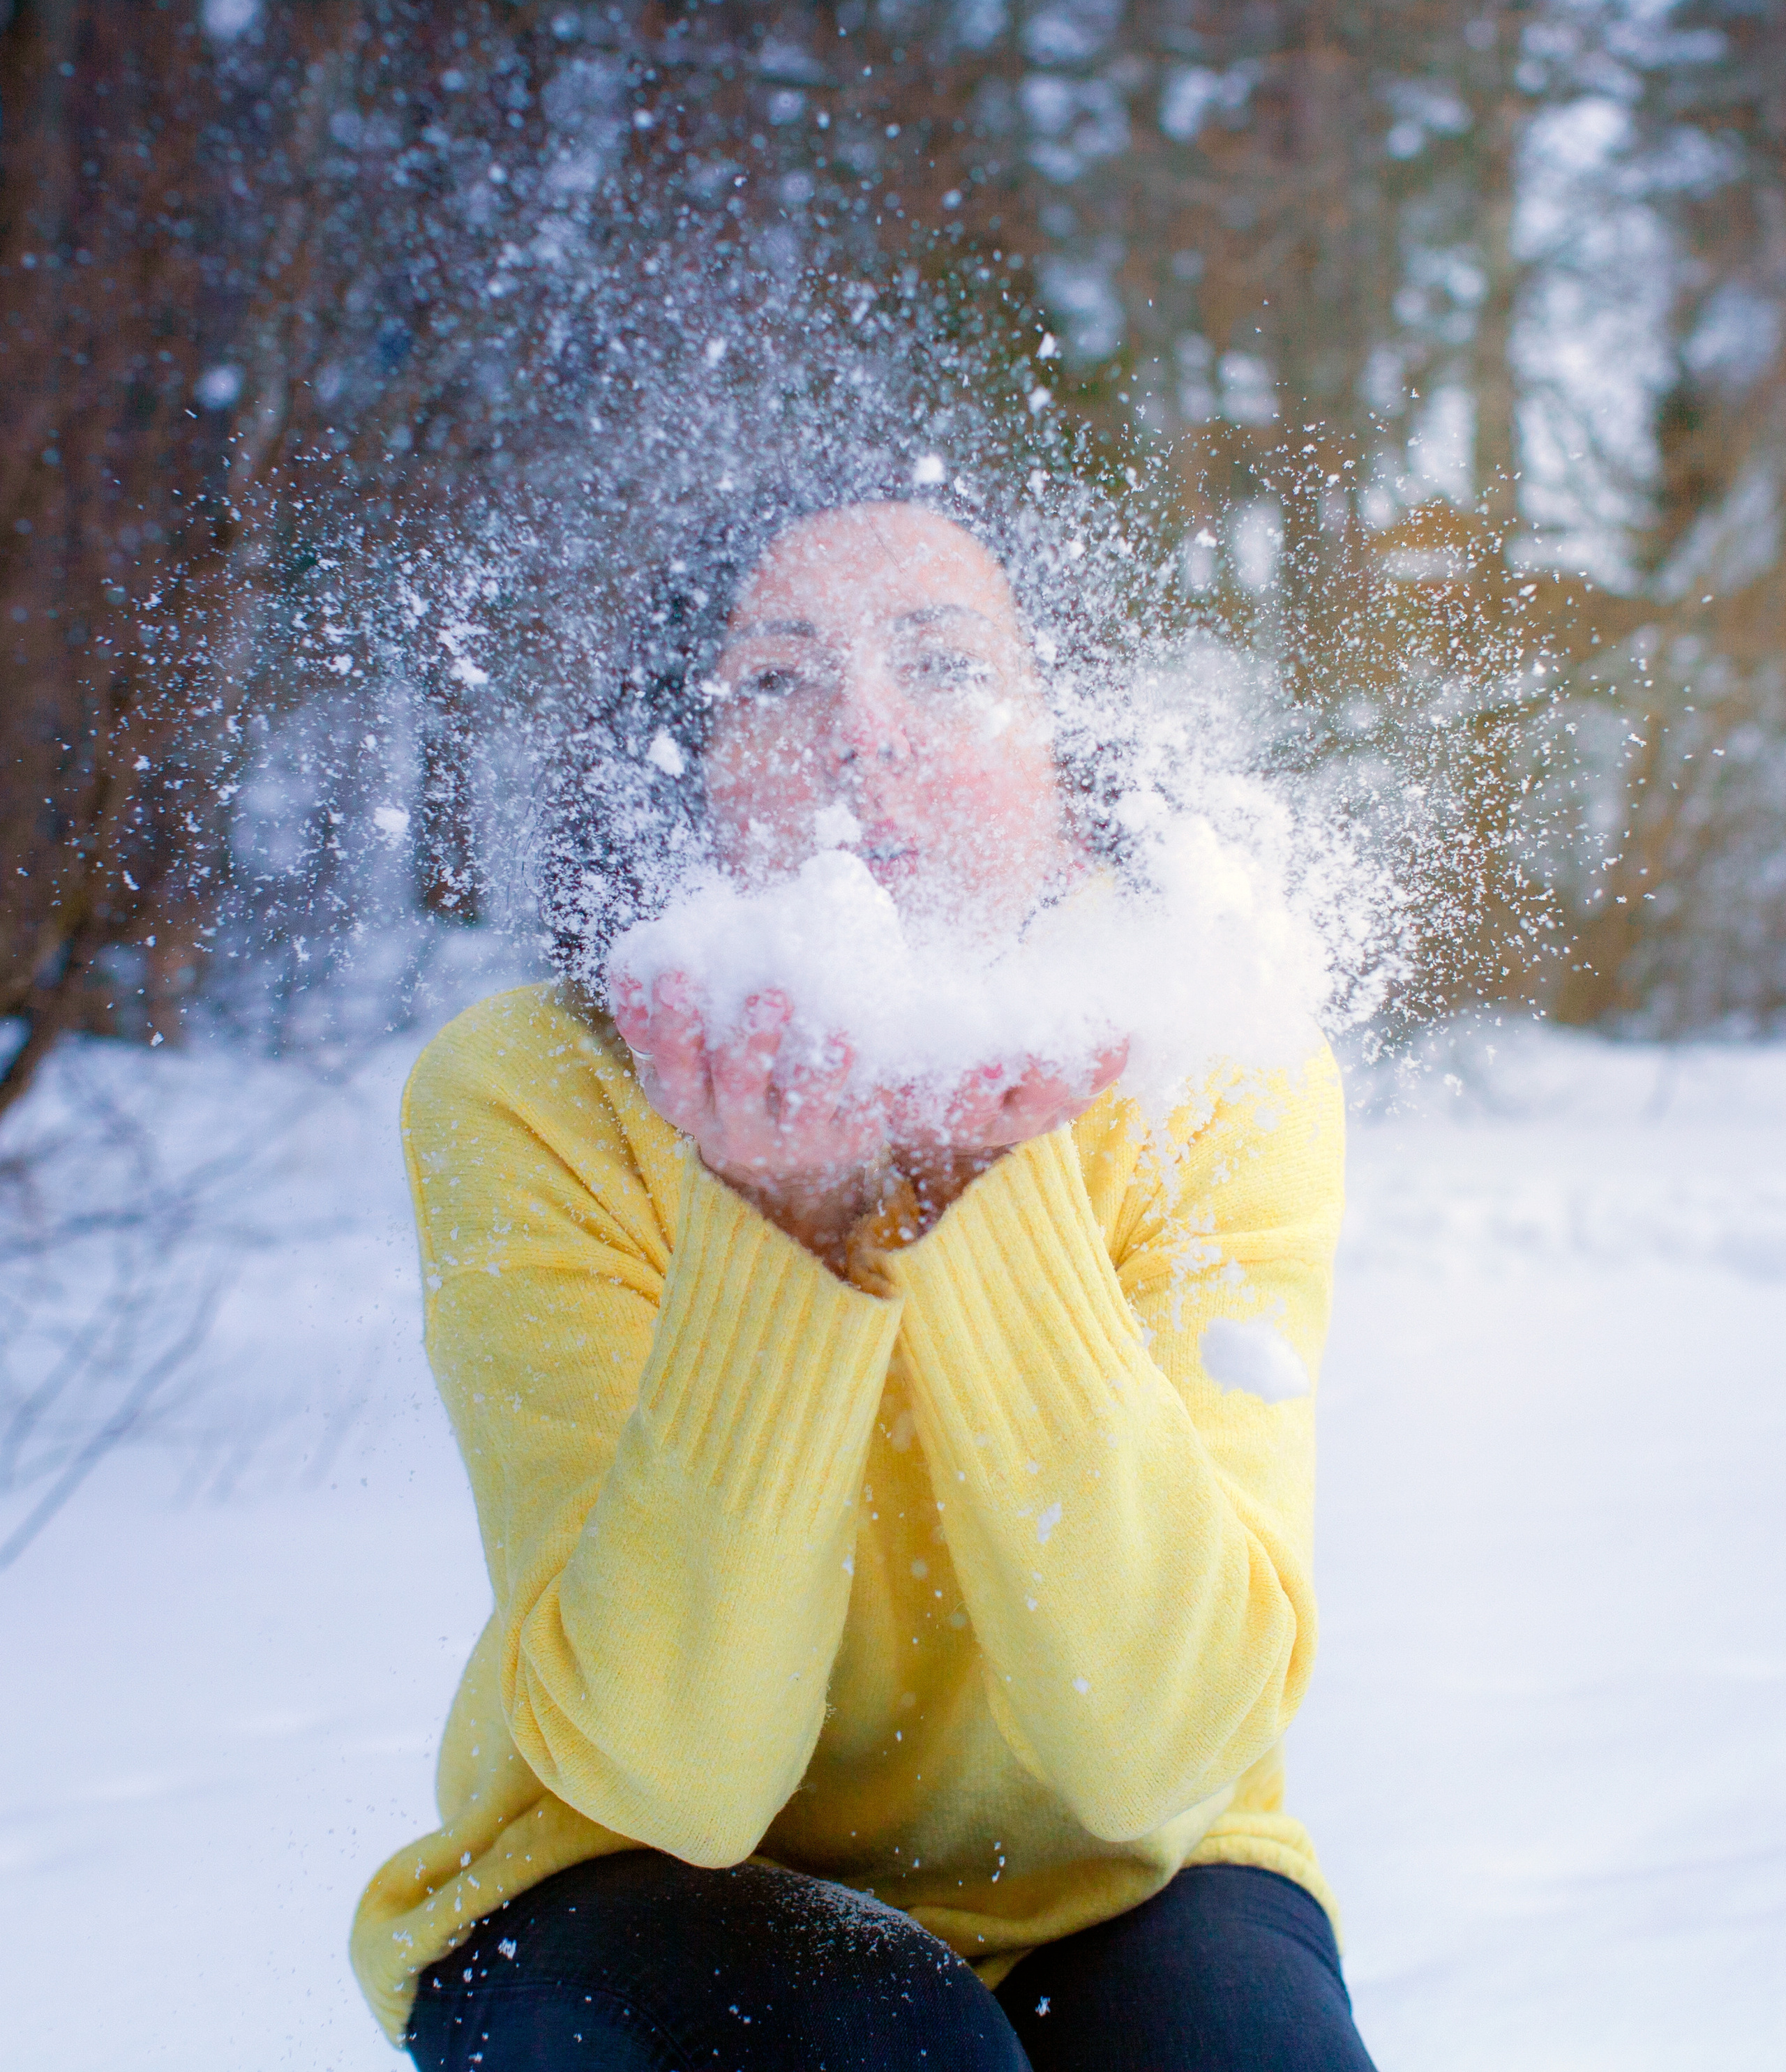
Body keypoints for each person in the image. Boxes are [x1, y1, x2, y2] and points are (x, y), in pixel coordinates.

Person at [352, 493, 1376, 2071]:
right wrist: (788, 1228)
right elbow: (668, 1774)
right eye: (774, 680)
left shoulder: (1212, 1071)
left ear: (1068, 752)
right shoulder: (532, 1089)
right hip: (614, 1876)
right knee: (891, 2041)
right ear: (678, 764)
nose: (860, 737)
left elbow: (1163, 1745)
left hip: (1129, 1864)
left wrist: (983, 1192)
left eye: (945, 666)